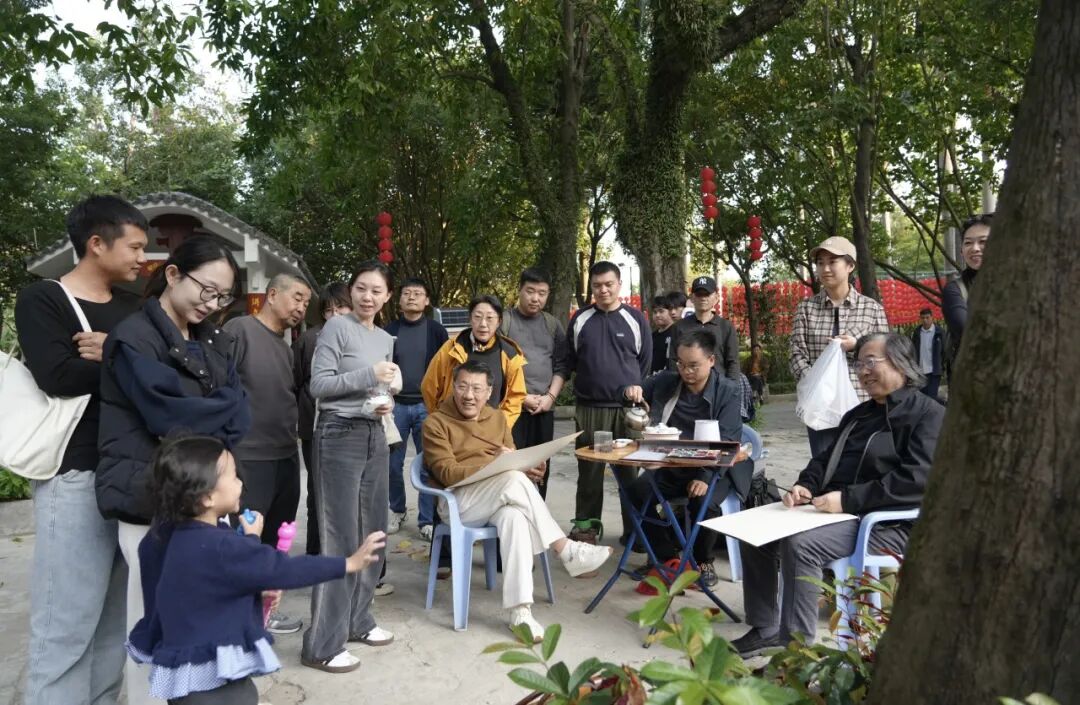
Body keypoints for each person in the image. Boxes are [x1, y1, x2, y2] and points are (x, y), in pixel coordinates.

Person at [96, 235, 252, 705]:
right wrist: (220, 407)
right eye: (207, 289)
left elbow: (242, 414)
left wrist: (216, 410)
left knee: (198, 622)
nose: (213, 303)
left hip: (202, 501)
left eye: (222, 296)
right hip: (153, 501)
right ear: (172, 274)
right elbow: (167, 415)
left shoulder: (211, 339)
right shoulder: (133, 337)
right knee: (155, 626)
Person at [127, 435, 386, 703]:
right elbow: (284, 569)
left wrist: (250, 547)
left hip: (182, 678)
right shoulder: (223, 546)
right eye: (233, 476)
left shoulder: (164, 537)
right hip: (217, 684)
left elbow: (207, 586)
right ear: (206, 497)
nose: (240, 482)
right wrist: (348, 563)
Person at [732, 332, 944, 657]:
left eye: (871, 362)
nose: (863, 371)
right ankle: (765, 627)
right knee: (754, 531)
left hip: (888, 524)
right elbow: (825, 460)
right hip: (839, 513)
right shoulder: (859, 415)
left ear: (902, 363)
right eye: (858, 364)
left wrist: (847, 500)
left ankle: (796, 650)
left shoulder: (928, 415)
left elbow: (915, 481)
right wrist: (806, 485)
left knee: (801, 545)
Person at [15, 195, 147, 705]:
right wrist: (129, 362)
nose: (142, 258)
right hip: (74, 475)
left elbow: (166, 370)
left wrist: (112, 352)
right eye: (135, 246)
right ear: (97, 243)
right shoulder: (43, 299)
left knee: (114, 624)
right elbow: (58, 376)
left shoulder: (134, 307)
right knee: (65, 627)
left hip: (130, 476)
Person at [421, 361, 614, 638]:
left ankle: (520, 612)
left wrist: (529, 468)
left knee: (514, 517)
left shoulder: (498, 418)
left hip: (498, 497)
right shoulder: (436, 423)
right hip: (457, 502)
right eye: (462, 387)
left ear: (489, 391)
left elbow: (511, 460)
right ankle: (565, 549)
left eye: (477, 388)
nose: (469, 395)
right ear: (453, 387)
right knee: (512, 480)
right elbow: (447, 473)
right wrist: (499, 466)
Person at [301, 260, 398, 674]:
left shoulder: (385, 338)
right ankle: (322, 644)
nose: (367, 297)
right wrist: (368, 374)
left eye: (376, 291)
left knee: (374, 530)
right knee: (339, 537)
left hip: (374, 432)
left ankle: (359, 621)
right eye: (361, 288)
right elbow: (319, 385)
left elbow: (378, 388)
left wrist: (386, 397)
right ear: (351, 290)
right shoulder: (336, 328)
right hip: (338, 434)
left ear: (387, 296)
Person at [623, 330, 750, 587]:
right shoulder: (667, 381)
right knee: (635, 491)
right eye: (681, 364)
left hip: (716, 467)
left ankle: (703, 561)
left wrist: (705, 476)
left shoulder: (727, 391)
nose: (686, 371)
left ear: (711, 361)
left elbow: (728, 441)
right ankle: (667, 557)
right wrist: (630, 391)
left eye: (693, 365)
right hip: (672, 465)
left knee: (703, 500)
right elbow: (630, 394)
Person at [223, 273, 312, 635]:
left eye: (306, 302)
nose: (301, 307)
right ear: (272, 294)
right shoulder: (240, 330)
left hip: (285, 452)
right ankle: (237, 616)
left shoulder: (286, 346)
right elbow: (220, 385)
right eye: (297, 298)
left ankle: (264, 611)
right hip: (249, 454)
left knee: (278, 536)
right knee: (247, 538)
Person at [567, 261, 652, 545]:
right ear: (591, 288)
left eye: (608, 284)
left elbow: (644, 362)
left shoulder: (635, 319)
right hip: (591, 410)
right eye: (597, 285)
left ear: (619, 285)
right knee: (589, 473)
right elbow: (571, 359)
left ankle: (635, 531)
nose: (603, 290)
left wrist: (634, 388)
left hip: (626, 412)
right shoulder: (580, 320)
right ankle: (586, 529)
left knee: (630, 473)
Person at [789, 236, 890, 458]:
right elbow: (796, 354)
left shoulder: (871, 309)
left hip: (864, 404)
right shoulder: (806, 309)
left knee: (864, 464)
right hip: (820, 409)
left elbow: (886, 356)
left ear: (850, 266)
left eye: (832, 262)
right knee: (824, 466)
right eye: (820, 263)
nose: (825, 269)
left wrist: (857, 346)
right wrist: (816, 385)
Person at [383, 277, 448, 535]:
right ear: (398, 300)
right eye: (407, 293)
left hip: (427, 406)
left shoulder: (436, 331)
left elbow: (446, 370)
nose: (411, 297)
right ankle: (397, 509)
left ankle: (426, 520)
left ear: (427, 300)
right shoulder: (389, 330)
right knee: (392, 463)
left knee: (428, 463)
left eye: (417, 293)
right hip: (396, 406)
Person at [293, 281, 353, 556]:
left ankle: (346, 554)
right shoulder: (308, 340)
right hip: (315, 428)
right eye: (329, 310)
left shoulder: (362, 336)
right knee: (318, 492)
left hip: (352, 428)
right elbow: (295, 381)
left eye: (341, 307)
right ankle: (315, 554)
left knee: (351, 492)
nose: (335, 314)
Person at [500, 269, 570, 500]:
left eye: (542, 293)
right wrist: (522, 398)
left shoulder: (552, 325)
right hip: (512, 409)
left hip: (544, 409)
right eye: (530, 291)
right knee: (513, 466)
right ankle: (513, 513)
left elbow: (561, 366)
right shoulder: (505, 322)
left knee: (541, 467)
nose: (535, 298)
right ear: (519, 290)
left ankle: (538, 512)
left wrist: (550, 398)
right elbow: (496, 368)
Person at [421, 294, 527, 430]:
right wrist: (440, 419)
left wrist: (500, 427)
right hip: (452, 428)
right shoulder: (452, 348)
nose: (483, 324)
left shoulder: (509, 354)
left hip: (490, 431)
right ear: (470, 319)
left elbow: (515, 397)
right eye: (477, 317)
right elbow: (429, 386)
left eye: (490, 318)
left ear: (499, 321)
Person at [667, 276, 740, 380]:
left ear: (716, 297)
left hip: (719, 385)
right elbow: (673, 360)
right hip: (687, 385)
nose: (703, 298)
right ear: (692, 298)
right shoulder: (679, 327)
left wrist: (732, 386)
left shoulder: (726, 327)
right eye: (699, 294)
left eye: (707, 294)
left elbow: (733, 362)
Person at [942, 213, 992, 364]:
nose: (975, 248)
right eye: (968, 243)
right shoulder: (955, 290)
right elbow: (967, 333)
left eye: (983, 241)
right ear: (962, 251)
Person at [911, 308, 945, 400]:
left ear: (932, 317)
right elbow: (913, 350)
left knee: (932, 397)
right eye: (923, 318)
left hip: (934, 371)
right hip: (920, 371)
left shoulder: (939, 332)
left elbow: (944, 351)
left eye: (927, 317)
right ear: (920, 319)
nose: (925, 320)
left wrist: (941, 366)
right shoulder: (917, 333)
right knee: (922, 398)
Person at [650, 293, 675, 374]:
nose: (657, 315)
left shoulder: (676, 332)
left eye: (661, 311)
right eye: (655, 312)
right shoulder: (652, 336)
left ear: (670, 312)